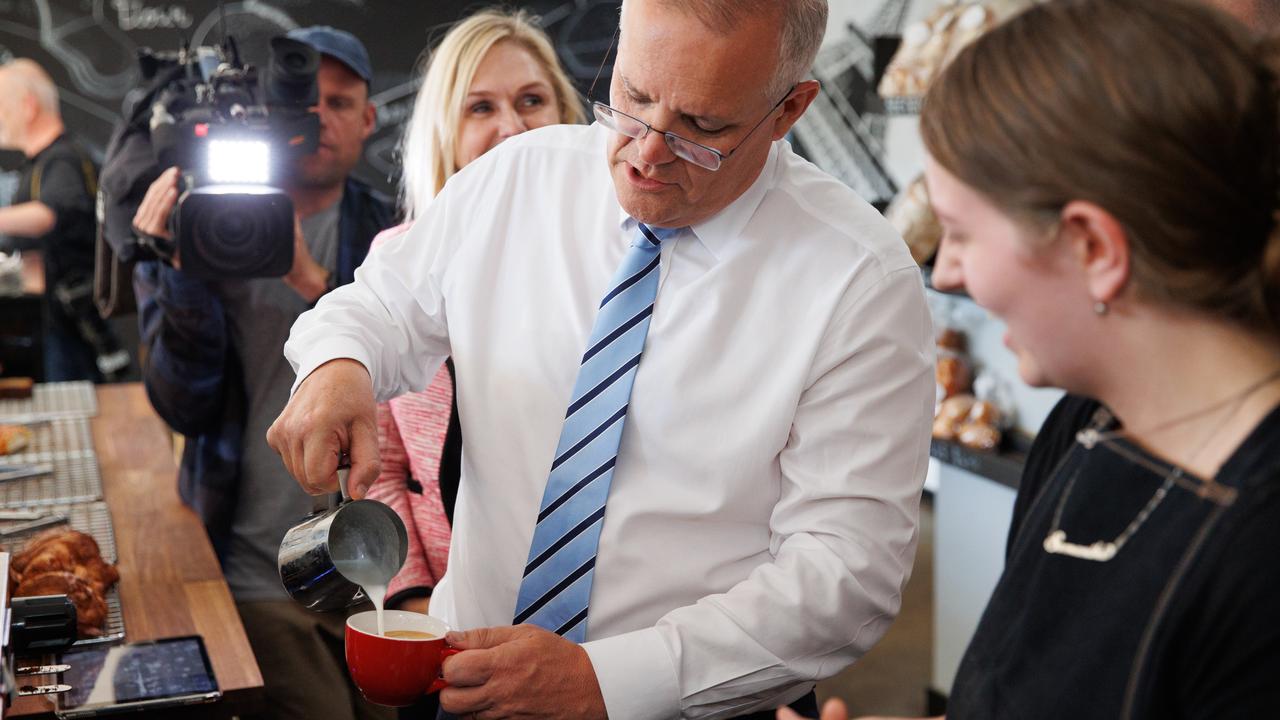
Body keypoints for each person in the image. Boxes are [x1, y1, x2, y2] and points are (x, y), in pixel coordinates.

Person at [269, 0, 937, 717]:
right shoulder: (520, 181)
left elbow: (845, 574)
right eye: (632, 99)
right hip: (462, 682)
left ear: (789, 109)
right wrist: (338, 363)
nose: (647, 152)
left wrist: (610, 679)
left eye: (703, 129)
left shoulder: (859, 278)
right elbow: (379, 304)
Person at [787, 1, 1280, 719]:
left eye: (959, 233)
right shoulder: (1083, 428)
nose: (947, 273)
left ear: (1093, 248)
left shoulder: (1258, 563)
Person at [130, 26, 394, 720]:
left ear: (370, 119)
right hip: (254, 567)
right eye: (301, 103)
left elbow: (427, 396)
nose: (319, 119)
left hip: (381, 567)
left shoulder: (399, 227)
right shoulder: (200, 224)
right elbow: (181, 406)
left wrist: (314, 283)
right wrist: (174, 273)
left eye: (340, 102)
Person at [367, 8, 586, 624]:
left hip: (592, 622)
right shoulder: (397, 260)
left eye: (532, 100)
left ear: (565, 117)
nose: (512, 128)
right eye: (480, 108)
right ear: (445, 130)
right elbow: (383, 467)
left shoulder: (617, 264)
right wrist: (410, 598)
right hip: (443, 625)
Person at [0, 59, 129, 382]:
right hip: (49, 322)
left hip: (77, 329)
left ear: (28, 105)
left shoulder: (64, 159)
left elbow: (50, 214)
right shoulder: (38, 165)